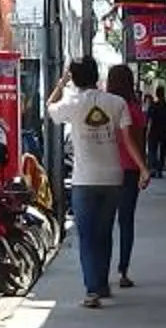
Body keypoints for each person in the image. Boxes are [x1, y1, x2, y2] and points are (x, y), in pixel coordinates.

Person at [44, 53, 133, 307]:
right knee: (104, 233)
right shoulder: (117, 103)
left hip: (85, 179)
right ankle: (102, 284)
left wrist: (61, 83)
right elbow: (127, 138)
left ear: (75, 77)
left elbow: (49, 107)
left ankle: (92, 290)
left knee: (87, 236)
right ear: (96, 75)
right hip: (113, 177)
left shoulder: (72, 104)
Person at [103, 60, 150, 291]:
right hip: (129, 170)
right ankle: (123, 270)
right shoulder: (133, 108)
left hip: (105, 169)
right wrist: (144, 167)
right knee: (126, 221)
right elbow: (140, 140)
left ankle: (101, 271)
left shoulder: (105, 107)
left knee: (105, 222)